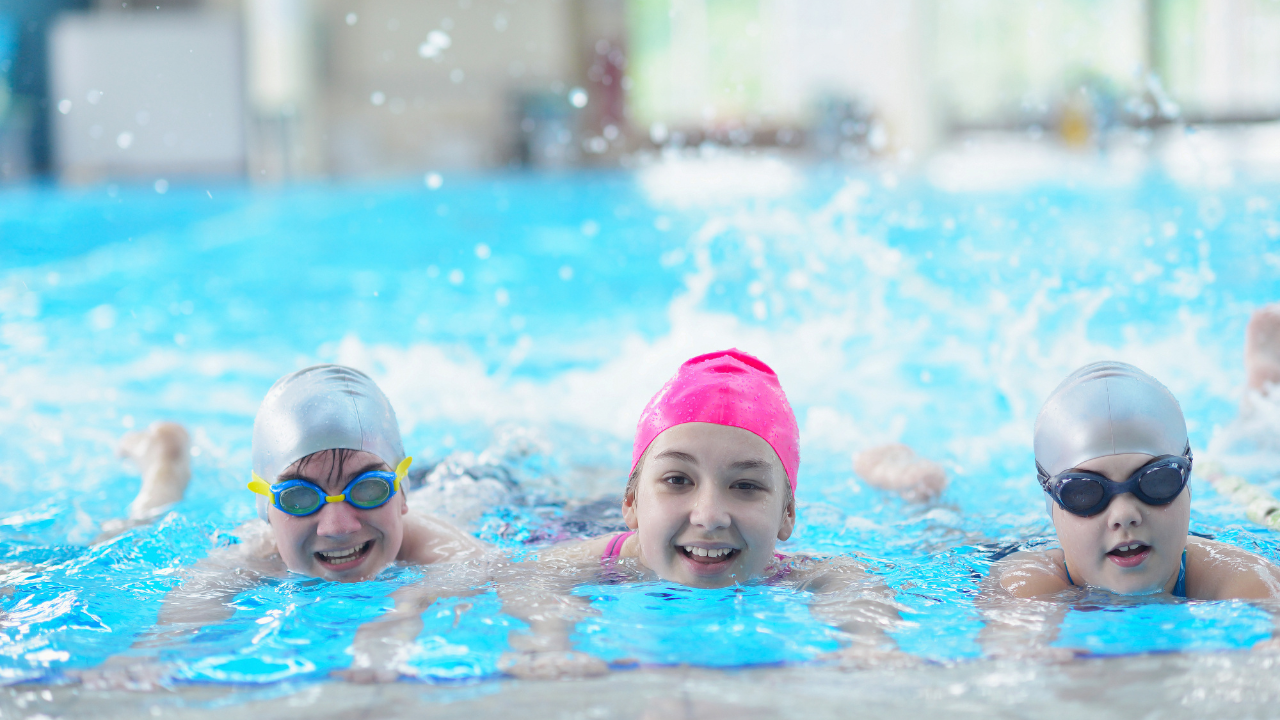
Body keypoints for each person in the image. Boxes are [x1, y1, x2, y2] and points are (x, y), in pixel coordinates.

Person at [78, 364, 599, 687]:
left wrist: (550, 645)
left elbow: (519, 582)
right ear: (265, 508)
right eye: (299, 498)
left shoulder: (436, 542)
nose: (338, 524)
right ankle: (164, 458)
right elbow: (188, 613)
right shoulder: (251, 550)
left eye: (368, 490)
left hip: (477, 486)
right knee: (132, 530)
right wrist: (149, 654)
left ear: (401, 494)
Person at [542, 349, 906, 666]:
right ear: (631, 503)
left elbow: (851, 579)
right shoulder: (597, 561)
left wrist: (868, 643)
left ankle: (907, 485)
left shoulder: (787, 571)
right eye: (677, 480)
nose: (709, 516)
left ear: (787, 516)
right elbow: (533, 578)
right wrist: (548, 644)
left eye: (745, 485)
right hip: (576, 518)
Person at [992, 361, 1280, 601]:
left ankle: (1260, 403)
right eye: (1084, 492)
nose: (1124, 515)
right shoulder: (1023, 587)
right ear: (1051, 503)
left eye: (1156, 481)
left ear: (1188, 483)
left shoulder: (1243, 576)